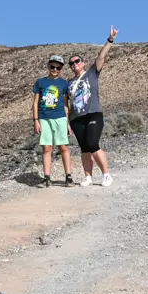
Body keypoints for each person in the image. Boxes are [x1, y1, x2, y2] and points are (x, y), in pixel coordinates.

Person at [68, 26, 118, 187]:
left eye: (77, 61)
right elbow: (67, 104)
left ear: (82, 63)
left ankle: (106, 175)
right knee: (84, 148)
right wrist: (68, 122)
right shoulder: (69, 83)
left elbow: (101, 56)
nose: (74, 64)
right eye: (71, 63)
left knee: (92, 143)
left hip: (93, 113)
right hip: (77, 118)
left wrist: (110, 39)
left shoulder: (91, 73)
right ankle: (88, 176)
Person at [32, 54, 74, 187]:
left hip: (60, 117)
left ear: (61, 69)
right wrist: (36, 120)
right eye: (53, 67)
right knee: (47, 148)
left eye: (58, 68)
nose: (55, 70)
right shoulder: (40, 82)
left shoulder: (64, 83)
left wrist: (68, 123)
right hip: (44, 118)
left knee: (63, 147)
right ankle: (47, 177)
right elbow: (35, 103)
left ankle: (68, 176)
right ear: (48, 66)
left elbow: (66, 104)